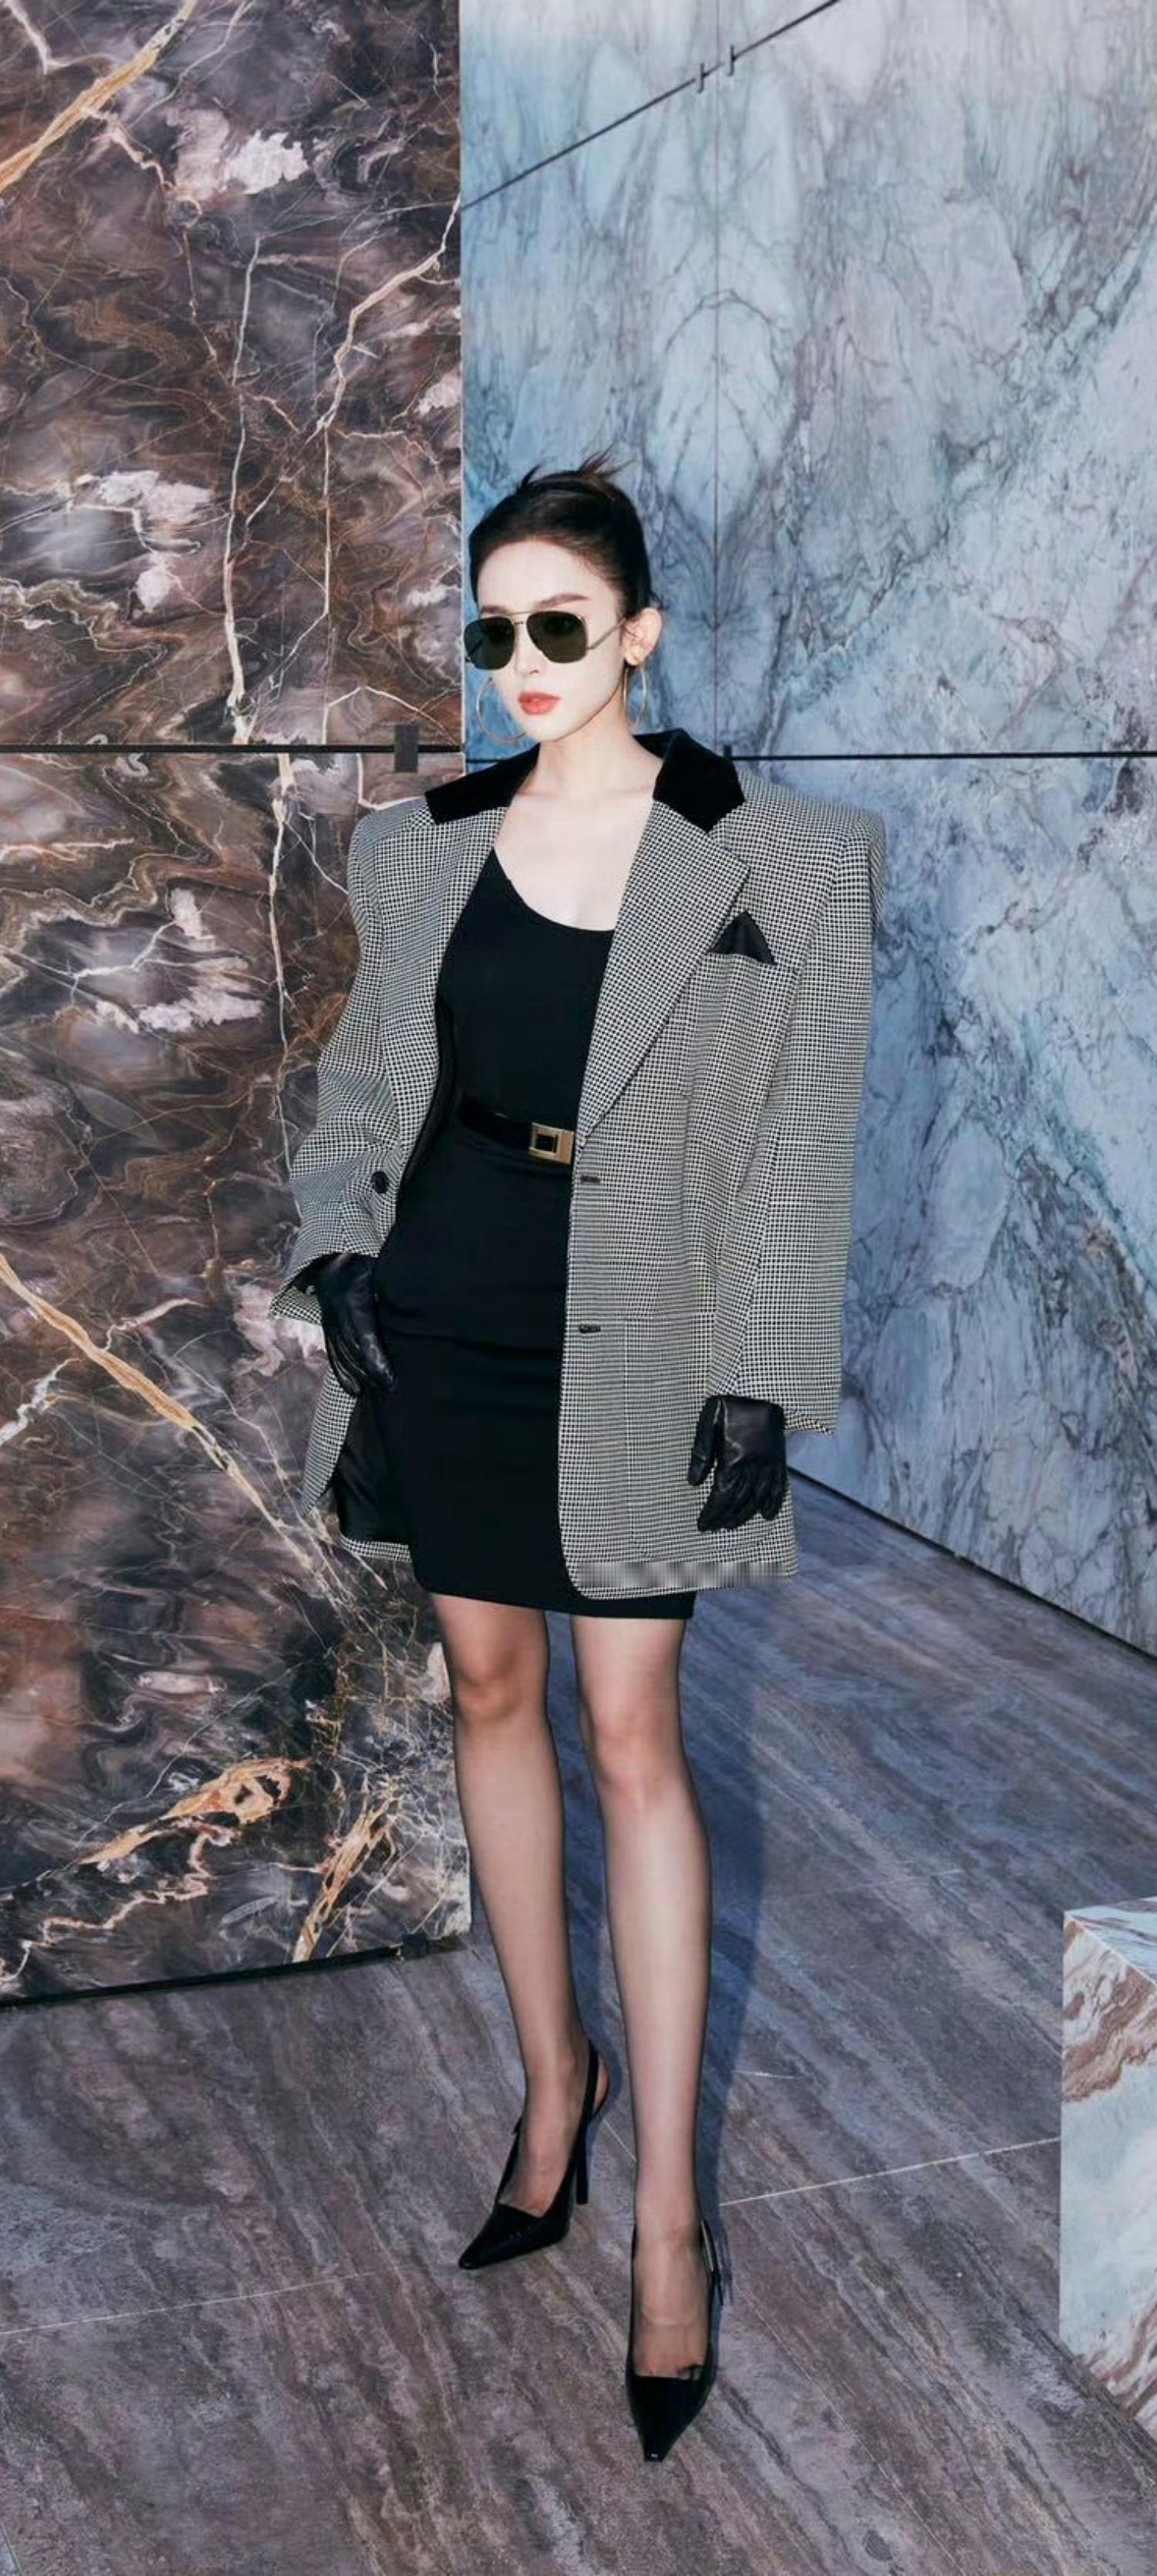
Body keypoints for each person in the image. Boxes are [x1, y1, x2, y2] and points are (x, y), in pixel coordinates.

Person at [272, 450, 885, 2460]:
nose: (523, 659)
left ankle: (672, 2222)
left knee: (634, 1731)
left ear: (638, 634)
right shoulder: (419, 848)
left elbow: (799, 1138)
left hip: (649, 1335)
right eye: (496, 627)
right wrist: (337, 1250)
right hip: (450, 1306)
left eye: (562, 623)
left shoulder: (779, 857)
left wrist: (759, 1373)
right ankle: (555, 2089)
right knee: (487, 1687)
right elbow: (370, 1081)